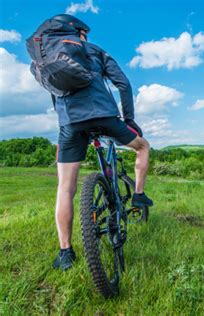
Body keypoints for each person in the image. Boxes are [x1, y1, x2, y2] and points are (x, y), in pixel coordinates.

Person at [48, 14, 153, 271]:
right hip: (105, 116)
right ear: (80, 33)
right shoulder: (94, 50)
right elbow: (123, 84)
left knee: (65, 188)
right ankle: (138, 196)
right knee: (143, 146)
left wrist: (65, 127)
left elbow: (55, 97)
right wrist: (129, 119)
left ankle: (65, 253)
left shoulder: (50, 58)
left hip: (70, 123)